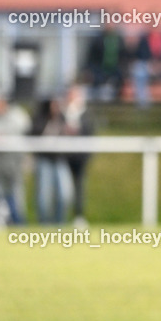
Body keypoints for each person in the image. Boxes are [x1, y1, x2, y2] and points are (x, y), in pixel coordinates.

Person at [0, 89, 31, 226]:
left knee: (17, 196)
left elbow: (25, 132)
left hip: (15, 163)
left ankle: (20, 223)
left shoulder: (17, 115)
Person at [31, 95, 75, 224]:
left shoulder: (63, 118)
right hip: (45, 160)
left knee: (65, 194)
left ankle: (60, 224)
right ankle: (44, 224)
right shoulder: (40, 119)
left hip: (60, 160)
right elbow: (34, 134)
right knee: (44, 197)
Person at [62, 84, 94, 227]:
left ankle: (78, 216)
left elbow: (90, 132)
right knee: (63, 189)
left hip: (80, 157)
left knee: (79, 188)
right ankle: (60, 217)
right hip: (63, 157)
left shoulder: (86, 113)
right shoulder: (63, 112)